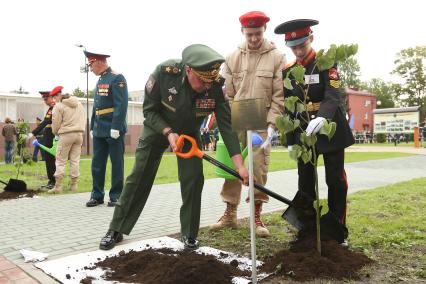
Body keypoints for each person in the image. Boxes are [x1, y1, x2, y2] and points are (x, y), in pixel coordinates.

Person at [98, 44, 249, 251]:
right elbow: (149, 111)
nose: (207, 86)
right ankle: (116, 229)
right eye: (202, 81)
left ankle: (189, 234)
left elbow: (227, 127)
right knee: (139, 176)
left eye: (210, 82)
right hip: (158, 128)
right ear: (188, 70)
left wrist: (239, 166)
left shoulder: (214, 85)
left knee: (194, 179)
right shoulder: (165, 73)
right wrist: (168, 132)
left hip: (189, 136)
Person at [274, 19, 355, 245]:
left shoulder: (327, 63)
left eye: (301, 45)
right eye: (293, 47)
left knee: (335, 180)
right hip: (303, 133)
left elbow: (333, 95)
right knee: (305, 182)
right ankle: (308, 230)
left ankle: (338, 230)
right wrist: (290, 139)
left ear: (311, 38)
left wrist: (323, 116)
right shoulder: (289, 72)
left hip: (330, 130)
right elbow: (289, 106)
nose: (298, 51)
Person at [210, 11, 285, 237]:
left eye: (258, 33)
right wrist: (233, 119)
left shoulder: (277, 57)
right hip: (239, 117)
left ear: (264, 31)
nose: (254, 38)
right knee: (234, 166)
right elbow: (229, 94)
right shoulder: (231, 57)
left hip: (262, 120)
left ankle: (256, 216)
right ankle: (230, 213)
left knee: (258, 167)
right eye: (250, 34)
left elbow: (279, 95)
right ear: (242, 32)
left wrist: (273, 124)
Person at [83, 51, 128, 207]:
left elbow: (121, 105)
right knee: (97, 163)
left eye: (91, 65)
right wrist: (92, 126)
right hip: (99, 129)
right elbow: (96, 106)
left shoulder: (116, 78)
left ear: (99, 63)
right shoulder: (101, 79)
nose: (91, 69)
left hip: (112, 128)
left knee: (116, 163)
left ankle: (116, 196)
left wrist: (116, 127)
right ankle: (97, 195)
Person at [49, 91, 86, 194]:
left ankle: (58, 186)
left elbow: (55, 122)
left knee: (61, 160)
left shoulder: (59, 106)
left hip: (66, 134)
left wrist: (56, 132)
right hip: (79, 135)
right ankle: (74, 185)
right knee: (75, 160)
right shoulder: (79, 104)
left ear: (60, 97)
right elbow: (83, 118)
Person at [27, 91, 58, 189]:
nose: (44, 101)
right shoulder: (51, 108)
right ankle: (51, 181)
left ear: (51, 97)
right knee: (48, 159)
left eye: (46, 99)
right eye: (43, 99)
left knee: (50, 159)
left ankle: (53, 181)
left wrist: (33, 133)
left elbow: (45, 122)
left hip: (51, 135)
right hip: (48, 135)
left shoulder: (54, 107)